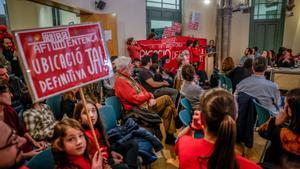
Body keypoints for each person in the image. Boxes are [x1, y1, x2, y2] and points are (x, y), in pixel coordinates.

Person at [176, 88, 261, 169]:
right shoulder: (251, 167)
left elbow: (178, 142)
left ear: (201, 118)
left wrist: (192, 127)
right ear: (235, 117)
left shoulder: (184, 145)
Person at [114, 56, 177, 144]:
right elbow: (135, 99)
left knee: (169, 109)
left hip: (145, 105)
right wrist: (148, 96)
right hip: (138, 111)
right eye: (130, 65)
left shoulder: (128, 77)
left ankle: (169, 137)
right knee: (166, 98)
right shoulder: (120, 81)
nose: (132, 66)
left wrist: (150, 97)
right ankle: (177, 120)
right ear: (124, 68)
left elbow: (142, 89)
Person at [73, 100, 138, 169]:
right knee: (123, 167)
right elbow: (92, 161)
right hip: (101, 163)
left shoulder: (97, 128)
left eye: (93, 110)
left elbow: (104, 146)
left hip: (106, 154)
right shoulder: (82, 137)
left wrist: (111, 152)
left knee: (132, 144)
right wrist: (111, 161)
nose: (91, 115)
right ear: (79, 118)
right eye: (86, 113)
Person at [0, 83, 47, 160]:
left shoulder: (9, 110)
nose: (11, 95)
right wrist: (26, 155)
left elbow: (21, 130)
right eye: (8, 92)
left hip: (24, 149)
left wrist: (34, 142)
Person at [258, 88, 300, 167]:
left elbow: (262, 132)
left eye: (286, 105)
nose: (284, 108)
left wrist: (275, 121)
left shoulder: (282, 133)